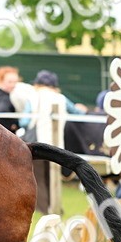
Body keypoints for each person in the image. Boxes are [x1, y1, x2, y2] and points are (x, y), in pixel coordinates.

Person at [30, 70, 87, 214]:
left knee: (39, 179)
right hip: (56, 145)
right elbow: (77, 113)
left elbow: (25, 120)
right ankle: (55, 207)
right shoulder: (61, 98)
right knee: (53, 177)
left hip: (37, 144)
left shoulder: (34, 96)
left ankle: (44, 209)